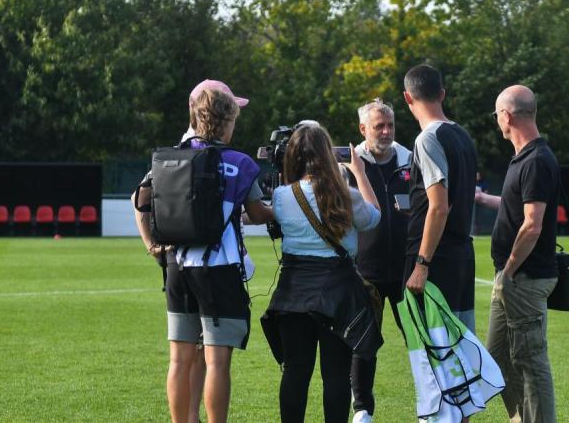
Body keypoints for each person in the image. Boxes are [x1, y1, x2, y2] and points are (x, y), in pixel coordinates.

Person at [135, 88, 272, 423]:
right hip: (219, 269)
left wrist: (153, 245)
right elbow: (256, 213)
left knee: (179, 360)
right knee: (217, 362)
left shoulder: (170, 157)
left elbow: (141, 199)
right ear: (227, 122)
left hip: (177, 268)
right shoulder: (239, 163)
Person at [262, 123, 383, 423]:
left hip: (293, 291)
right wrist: (361, 174)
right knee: (336, 376)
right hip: (339, 292)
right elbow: (374, 218)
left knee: (295, 372)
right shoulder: (346, 194)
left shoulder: (281, 195)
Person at [486, 85, 560, 423]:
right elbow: (519, 209)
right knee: (496, 356)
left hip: (524, 279)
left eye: (497, 114)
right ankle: (521, 418)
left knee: (531, 362)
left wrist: (510, 272)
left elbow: (532, 225)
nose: (497, 120)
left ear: (507, 115)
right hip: (512, 277)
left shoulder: (536, 159)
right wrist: (482, 199)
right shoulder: (524, 158)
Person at [348, 98, 412, 423]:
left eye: (390, 125)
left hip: (406, 271)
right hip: (365, 272)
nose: (386, 132)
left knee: (419, 340)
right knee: (364, 343)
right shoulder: (349, 164)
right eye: (378, 126)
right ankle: (362, 410)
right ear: (363, 130)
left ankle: (431, 404)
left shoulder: (410, 161)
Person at [402, 64, 478, 331]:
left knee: (436, 354)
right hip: (461, 255)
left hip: (437, 260)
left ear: (407, 98)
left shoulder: (428, 139)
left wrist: (422, 264)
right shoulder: (462, 135)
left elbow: (439, 206)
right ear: (442, 94)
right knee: (462, 349)